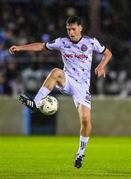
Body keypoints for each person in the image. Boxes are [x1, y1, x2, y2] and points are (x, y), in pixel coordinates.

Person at [9, 16, 112, 168]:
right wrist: (20, 47)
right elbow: (41, 46)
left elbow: (108, 53)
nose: (71, 32)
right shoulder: (62, 42)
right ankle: (35, 104)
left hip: (82, 87)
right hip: (67, 80)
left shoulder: (91, 42)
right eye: (68, 29)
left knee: (85, 120)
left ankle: (80, 153)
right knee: (56, 71)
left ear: (80, 28)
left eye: (73, 29)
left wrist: (102, 65)